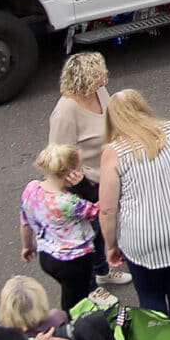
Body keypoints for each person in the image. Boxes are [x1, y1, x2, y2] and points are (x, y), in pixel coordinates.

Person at [99, 90, 170, 318]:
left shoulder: (114, 152)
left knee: (151, 296)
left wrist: (110, 245)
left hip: (142, 239)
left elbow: (107, 209)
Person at [47, 52, 123, 287]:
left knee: (104, 228)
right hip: (87, 182)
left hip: (108, 172)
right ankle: (91, 285)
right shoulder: (66, 111)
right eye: (99, 75)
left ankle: (103, 269)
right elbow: (58, 155)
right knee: (90, 234)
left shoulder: (99, 92)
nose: (105, 78)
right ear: (85, 79)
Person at [18, 143, 99, 314]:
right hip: (73, 261)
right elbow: (100, 209)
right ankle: (75, 329)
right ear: (71, 172)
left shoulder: (31, 189)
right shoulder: (68, 203)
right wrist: (84, 186)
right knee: (75, 303)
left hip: (47, 255)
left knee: (70, 291)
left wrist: (27, 246)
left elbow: (25, 222)